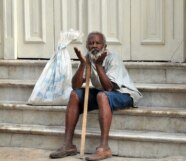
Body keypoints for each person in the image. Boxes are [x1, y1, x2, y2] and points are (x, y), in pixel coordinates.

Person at [49, 31, 142, 161]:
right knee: (75, 95)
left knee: (102, 96)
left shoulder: (112, 57)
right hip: (103, 92)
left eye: (98, 43)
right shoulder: (87, 57)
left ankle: (104, 148)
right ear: (87, 46)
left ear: (104, 45)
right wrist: (82, 64)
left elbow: (109, 87)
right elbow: (75, 86)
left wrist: (98, 65)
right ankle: (68, 145)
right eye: (91, 43)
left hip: (124, 93)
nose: (94, 46)